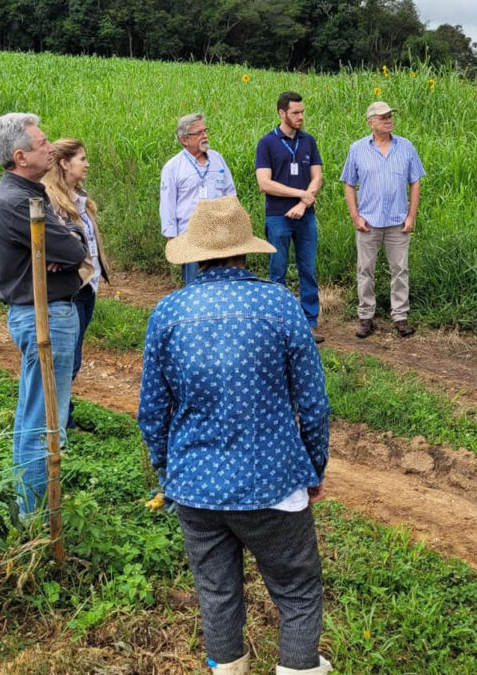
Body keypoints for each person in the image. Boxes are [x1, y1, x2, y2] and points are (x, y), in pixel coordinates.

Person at [138, 195, 332, 675]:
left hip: (195, 487)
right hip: (274, 482)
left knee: (217, 591)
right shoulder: (281, 306)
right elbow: (312, 402)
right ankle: (300, 667)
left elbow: (152, 413)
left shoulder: (167, 313)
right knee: (298, 591)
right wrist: (314, 467)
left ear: (196, 254)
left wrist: (169, 473)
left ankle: (227, 668)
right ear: (247, 250)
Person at [0, 113, 88, 515]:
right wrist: (67, 246)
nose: (50, 148)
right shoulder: (17, 202)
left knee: (38, 413)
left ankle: (32, 509)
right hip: (44, 315)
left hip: (47, 311)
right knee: (45, 422)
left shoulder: (28, 193)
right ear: (20, 155)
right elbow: (77, 251)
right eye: (42, 143)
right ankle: (36, 517)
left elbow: (72, 241)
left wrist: (67, 242)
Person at [340, 101, 426, 339]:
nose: (388, 120)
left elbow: (415, 182)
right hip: (368, 221)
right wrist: (355, 216)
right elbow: (349, 183)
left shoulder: (406, 147)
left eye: (390, 116)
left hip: (398, 221)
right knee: (365, 270)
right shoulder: (357, 148)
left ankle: (400, 317)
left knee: (400, 269)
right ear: (371, 122)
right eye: (382, 117)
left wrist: (411, 216)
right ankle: (366, 317)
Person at [43, 138, 111, 429]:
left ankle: (61, 420)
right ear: (63, 163)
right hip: (70, 288)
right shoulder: (50, 200)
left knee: (73, 356)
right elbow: (54, 245)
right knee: (66, 360)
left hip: (87, 286)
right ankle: (58, 425)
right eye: (81, 158)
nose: (87, 164)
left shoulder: (78, 197)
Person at [255, 91, 324, 344]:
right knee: (278, 270)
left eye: (302, 112)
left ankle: (310, 322)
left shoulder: (308, 141)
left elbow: (318, 177)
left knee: (308, 268)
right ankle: (279, 322)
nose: (301, 117)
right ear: (282, 113)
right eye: (295, 112)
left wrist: (304, 204)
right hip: (278, 216)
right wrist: (302, 195)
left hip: (305, 217)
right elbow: (264, 183)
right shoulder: (267, 143)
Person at [160, 113, 237, 285]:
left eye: (205, 131)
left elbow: (230, 193)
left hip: (219, 233)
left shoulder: (217, 159)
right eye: (199, 133)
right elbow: (167, 204)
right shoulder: (173, 167)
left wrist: (233, 224)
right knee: (195, 285)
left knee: (220, 282)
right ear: (184, 140)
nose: (205, 136)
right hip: (190, 236)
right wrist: (172, 239)